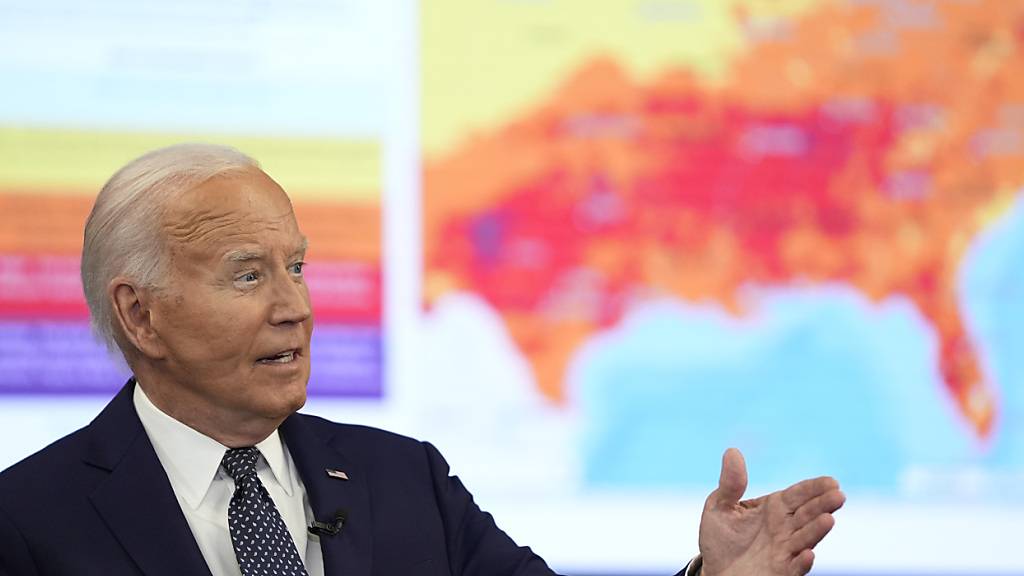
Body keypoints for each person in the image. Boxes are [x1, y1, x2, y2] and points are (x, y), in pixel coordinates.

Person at [0, 144, 845, 576]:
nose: (293, 305)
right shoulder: (29, 521)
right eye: (247, 275)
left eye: (295, 267)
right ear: (140, 314)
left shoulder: (404, 482)